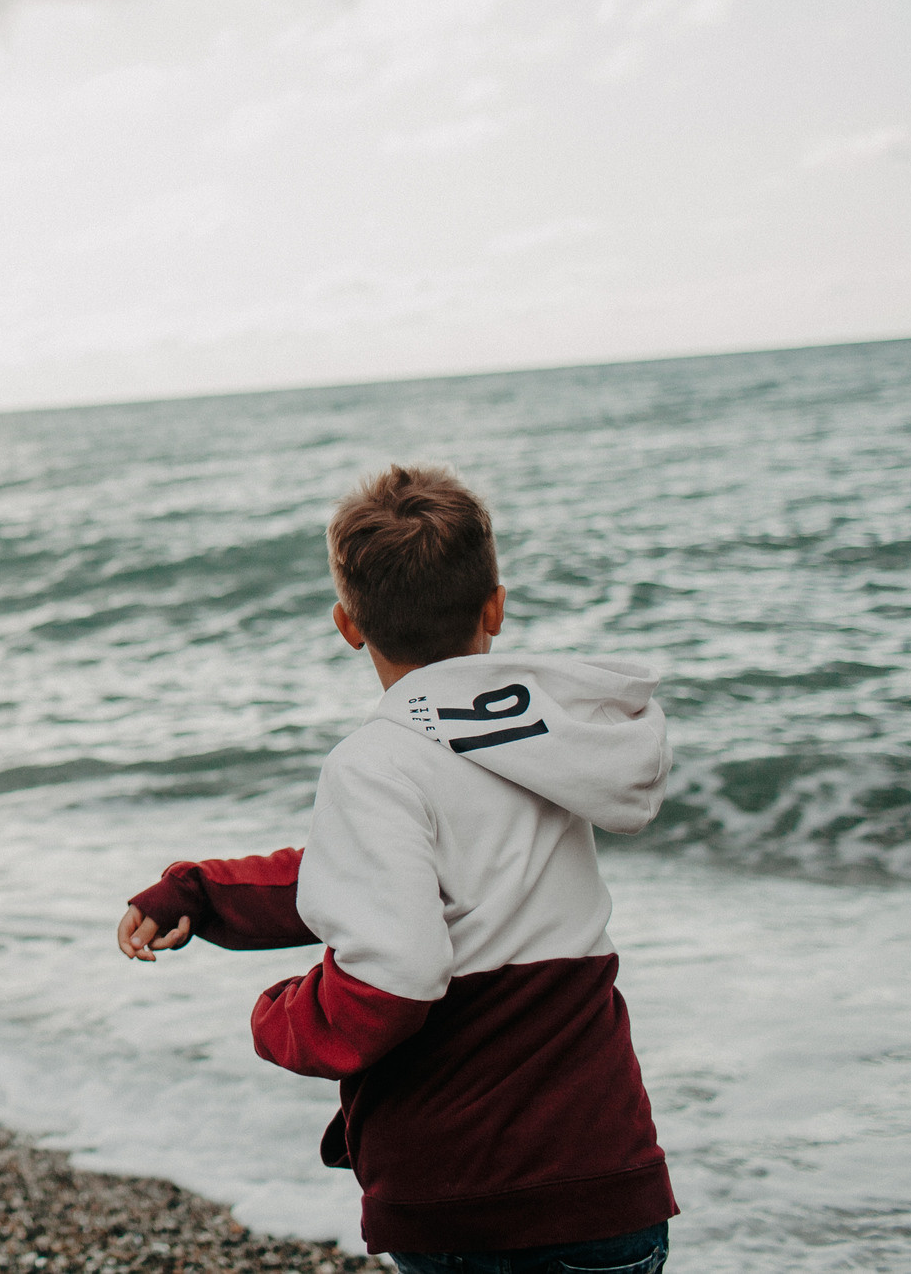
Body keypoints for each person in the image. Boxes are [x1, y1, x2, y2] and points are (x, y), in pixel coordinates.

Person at [116, 466, 678, 1274]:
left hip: (459, 1197)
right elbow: (384, 876)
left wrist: (279, 1018)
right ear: (495, 605)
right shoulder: (546, 744)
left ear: (348, 624)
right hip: (604, 1183)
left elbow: (397, 971)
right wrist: (204, 895)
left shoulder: (376, 763)